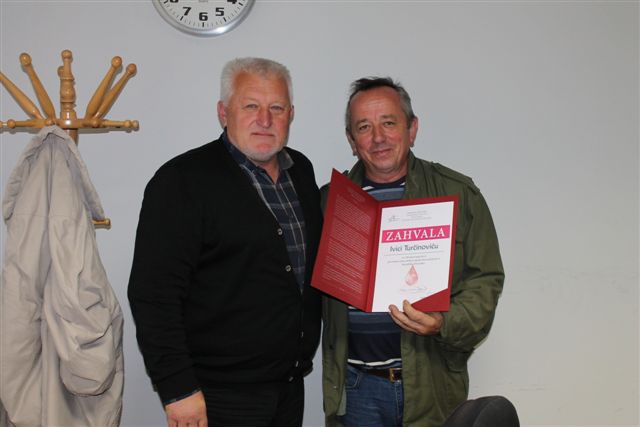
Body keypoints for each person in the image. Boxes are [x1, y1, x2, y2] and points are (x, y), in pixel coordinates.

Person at [128, 57, 323, 427]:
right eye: (250, 106)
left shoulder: (301, 171)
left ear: (291, 114)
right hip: (216, 396)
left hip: (288, 388)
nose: (264, 119)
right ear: (223, 112)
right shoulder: (181, 181)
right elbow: (153, 295)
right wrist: (178, 389)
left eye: (276, 108)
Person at [320, 77, 505, 427]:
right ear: (352, 140)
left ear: (412, 128)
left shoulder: (458, 194)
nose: (378, 137)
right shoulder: (329, 202)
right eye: (364, 127)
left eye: (389, 123)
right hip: (355, 389)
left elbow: (485, 281)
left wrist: (443, 322)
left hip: (432, 386)